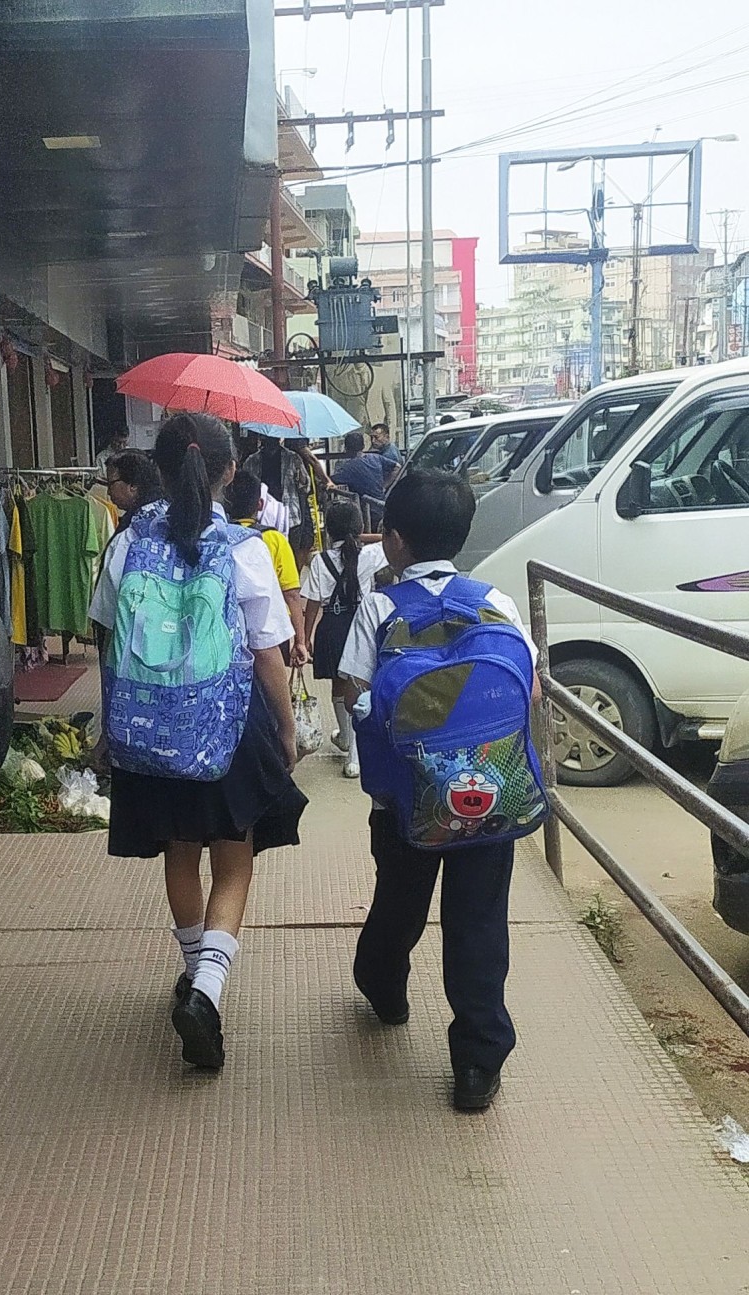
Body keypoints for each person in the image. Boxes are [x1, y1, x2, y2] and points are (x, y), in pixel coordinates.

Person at [90, 413, 307, 1072]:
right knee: (234, 862)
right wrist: (288, 728)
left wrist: (109, 724)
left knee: (180, 853)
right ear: (229, 470)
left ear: (156, 466)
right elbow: (268, 655)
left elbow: (105, 638)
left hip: (149, 732)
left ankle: (194, 977)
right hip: (226, 728)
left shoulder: (126, 544)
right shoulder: (244, 548)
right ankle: (208, 990)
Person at [338, 469, 538, 1113]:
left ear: (394, 541)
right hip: (491, 800)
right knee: (478, 923)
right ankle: (478, 1064)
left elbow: (352, 694)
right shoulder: (496, 603)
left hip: (405, 801)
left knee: (398, 904)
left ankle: (384, 987)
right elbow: (529, 692)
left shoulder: (379, 607)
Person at [301, 502, 385, 780]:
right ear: (359, 528)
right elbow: (389, 540)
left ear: (328, 530)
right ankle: (355, 755)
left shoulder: (319, 561)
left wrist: (306, 638)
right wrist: (361, 538)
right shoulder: (370, 555)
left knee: (339, 685)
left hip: (333, 627)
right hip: (363, 624)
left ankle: (347, 740)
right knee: (360, 683)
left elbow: (313, 603)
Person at [225, 468, 308, 668]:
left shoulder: (218, 537)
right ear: (260, 504)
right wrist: (300, 641)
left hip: (228, 632)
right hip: (271, 634)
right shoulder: (274, 539)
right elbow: (292, 594)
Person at [243, 437, 311, 558]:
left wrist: (302, 479)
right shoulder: (252, 460)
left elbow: (305, 487)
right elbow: (245, 487)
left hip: (289, 515)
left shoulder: (293, 458)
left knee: (290, 554)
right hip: (261, 515)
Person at [331, 431, 391, 528]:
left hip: (366, 513)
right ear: (363, 446)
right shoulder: (376, 457)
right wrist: (384, 485)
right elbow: (397, 467)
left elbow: (330, 480)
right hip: (381, 507)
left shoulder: (349, 467)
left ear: (346, 448)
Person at [105, 449, 162, 533]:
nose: (108, 492)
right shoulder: (164, 507)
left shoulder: (135, 524)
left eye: (111, 484)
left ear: (133, 485)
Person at [368, 423, 403, 489]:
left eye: (376, 437)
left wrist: (383, 488)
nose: (373, 441)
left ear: (386, 437)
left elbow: (394, 472)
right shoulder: (390, 447)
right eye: (371, 437)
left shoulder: (389, 454)